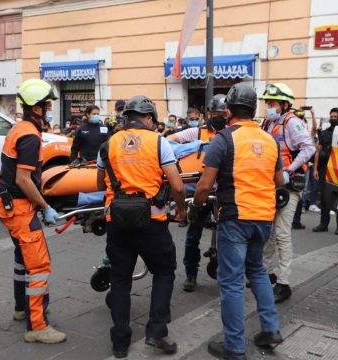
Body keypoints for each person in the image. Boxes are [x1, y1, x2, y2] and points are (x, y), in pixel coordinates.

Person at [191, 83, 284, 360]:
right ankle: (270, 330)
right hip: (264, 217)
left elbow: (204, 185)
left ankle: (234, 347)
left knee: (230, 281)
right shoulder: (270, 140)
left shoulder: (224, 139)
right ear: (254, 110)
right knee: (256, 271)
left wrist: (196, 206)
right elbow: (279, 181)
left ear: (229, 110)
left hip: (236, 217)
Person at [96, 95, 186, 359]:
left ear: (126, 118)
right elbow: (177, 185)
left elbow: (100, 185)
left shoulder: (109, 144)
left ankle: (120, 343)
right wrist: (180, 210)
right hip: (152, 223)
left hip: (117, 223)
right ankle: (156, 333)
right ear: (148, 119)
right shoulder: (159, 142)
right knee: (164, 271)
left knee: (121, 280)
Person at [0, 79, 66, 344]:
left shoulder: (18, 129)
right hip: (20, 208)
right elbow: (24, 179)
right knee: (38, 266)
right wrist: (46, 206)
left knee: (21, 258)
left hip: (9, 206)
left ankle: (21, 308)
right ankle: (37, 325)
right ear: (35, 108)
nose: (49, 109)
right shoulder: (29, 135)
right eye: (46, 105)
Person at [262, 83, 315, 303]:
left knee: (282, 233)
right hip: (271, 185)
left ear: (285, 104)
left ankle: (283, 283)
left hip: (289, 186)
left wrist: (289, 170)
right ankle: (267, 272)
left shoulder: (292, 122)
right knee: (269, 232)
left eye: (272, 103)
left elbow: (309, 148)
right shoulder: (267, 122)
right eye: (267, 103)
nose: (268, 107)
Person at [168, 94, 228, 292]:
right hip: (201, 191)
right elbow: (169, 141)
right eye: (214, 113)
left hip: (224, 192)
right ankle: (191, 273)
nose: (217, 116)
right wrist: (192, 148)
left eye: (221, 113)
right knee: (193, 234)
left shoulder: (231, 133)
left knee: (227, 236)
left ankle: (227, 273)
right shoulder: (197, 133)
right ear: (208, 114)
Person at [312, 108, 338, 233]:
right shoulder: (325, 133)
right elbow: (317, 151)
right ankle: (323, 224)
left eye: (335, 117)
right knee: (324, 197)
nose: (333, 119)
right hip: (325, 169)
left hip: (337, 168)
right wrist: (315, 169)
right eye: (331, 117)